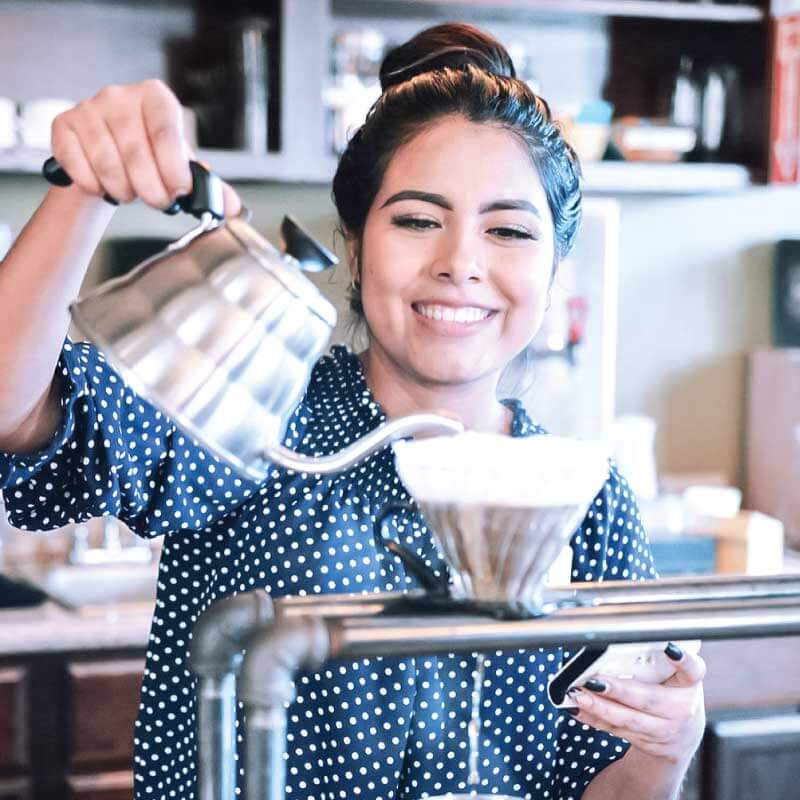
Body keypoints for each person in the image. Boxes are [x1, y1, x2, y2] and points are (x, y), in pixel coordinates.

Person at [0, 22, 705, 800]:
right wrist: (85, 186)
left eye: (507, 229)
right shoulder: (261, 414)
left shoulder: (586, 498)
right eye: (415, 220)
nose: (460, 263)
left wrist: (665, 748)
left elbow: (607, 784)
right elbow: (16, 411)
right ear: (356, 243)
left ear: (552, 267)